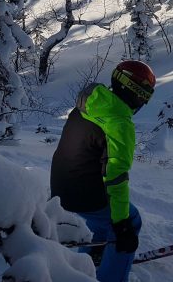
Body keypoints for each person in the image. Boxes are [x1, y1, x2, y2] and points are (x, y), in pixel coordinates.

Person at [51, 60, 157, 282]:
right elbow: (116, 179)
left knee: (102, 223)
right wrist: (122, 226)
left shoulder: (89, 104)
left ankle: (93, 259)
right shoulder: (118, 123)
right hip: (83, 195)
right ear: (134, 92)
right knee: (131, 220)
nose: (142, 103)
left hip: (61, 187)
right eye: (143, 96)